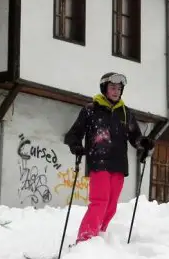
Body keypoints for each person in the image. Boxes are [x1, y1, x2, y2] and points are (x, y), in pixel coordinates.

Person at [64, 72, 155, 243]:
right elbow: (73, 134)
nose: (116, 91)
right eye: (113, 87)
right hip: (98, 161)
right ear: (104, 88)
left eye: (119, 88)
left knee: (111, 207)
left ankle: (98, 238)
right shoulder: (91, 110)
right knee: (100, 202)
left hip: (119, 165)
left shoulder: (125, 113)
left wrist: (144, 143)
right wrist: (76, 146)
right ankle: (85, 241)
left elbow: (135, 136)